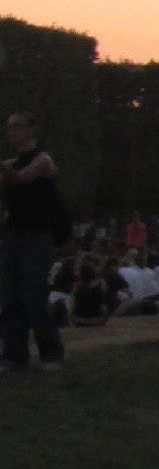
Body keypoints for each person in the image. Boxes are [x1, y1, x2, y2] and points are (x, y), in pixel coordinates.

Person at [1, 112, 72, 373]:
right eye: (9, 127)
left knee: (34, 296)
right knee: (10, 298)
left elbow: (21, 179)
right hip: (14, 236)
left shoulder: (43, 160)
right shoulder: (10, 163)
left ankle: (52, 352)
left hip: (38, 237)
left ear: (33, 129)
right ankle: (13, 356)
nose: (12, 132)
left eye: (17, 126)